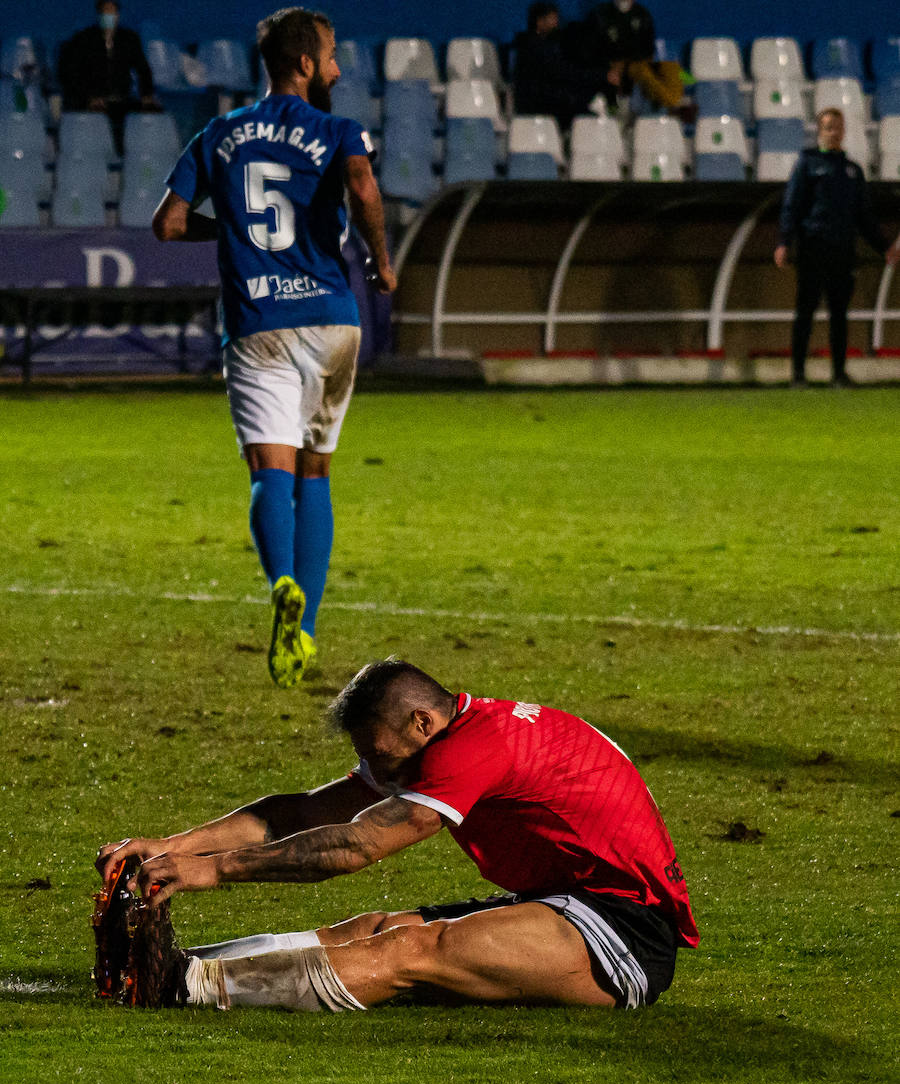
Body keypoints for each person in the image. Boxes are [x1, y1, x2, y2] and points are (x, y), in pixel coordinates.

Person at [95, 659, 699, 1014]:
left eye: (378, 754)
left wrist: (215, 870)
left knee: (415, 950)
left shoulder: (472, 748)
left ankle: (187, 987)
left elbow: (357, 845)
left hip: (626, 931)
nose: (375, 771)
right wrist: (178, 847)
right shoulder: (447, 736)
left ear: (421, 722)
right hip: (564, 900)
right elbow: (307, 810)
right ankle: (180, 966)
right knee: (372, 929)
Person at [152, 8, 396, 688]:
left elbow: (168, 224)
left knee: (270, 469)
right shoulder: (338, 130)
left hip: (256, 319)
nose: (340, 66)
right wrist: (380, 259)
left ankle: (282, 580)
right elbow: (362, 183)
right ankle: (306, 631)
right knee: (316, 470)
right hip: (330, 318)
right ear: (307, 64)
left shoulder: (220, 133)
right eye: (334, 54)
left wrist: (232, 234)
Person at [775, 108, 900, 388]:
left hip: (843, 251)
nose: (834, 132)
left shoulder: (852, 171)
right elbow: (792, 206)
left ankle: (839, 374)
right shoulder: (807, 164)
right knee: (805, 310)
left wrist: (884, 247)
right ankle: (797, 375)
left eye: (838, 127)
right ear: (820, 130)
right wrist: (784, 241)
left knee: (839, 313)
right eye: (829, 127)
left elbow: (864, 216)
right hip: (813, 247)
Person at [58, 0, 160, 152]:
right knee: (93, 117)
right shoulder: (84, 39)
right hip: (91, 100)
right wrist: (89, 97)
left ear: (118, 15)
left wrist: (147, 94)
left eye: (112, 12)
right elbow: (72, 75)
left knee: (150, 113)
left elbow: (143, 70)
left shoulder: (129, 39)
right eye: (105, 12)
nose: (109, 16)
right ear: (99, 15)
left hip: (121, 99)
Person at [512, 3, 612, 130]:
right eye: (552, 19)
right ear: (539, 21)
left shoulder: (549, 44)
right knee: (587, 115)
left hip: (550, 99)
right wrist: (601, 77)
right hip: (538, 104)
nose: (556, 22)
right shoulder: (533, 47)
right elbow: (561, 73)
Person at [583, 0, 687, 115]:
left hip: (640, 63)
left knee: (671, 68)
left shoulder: (642, 14)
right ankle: (671, 100)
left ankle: (672, 98)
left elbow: (649, 48)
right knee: (640, 70)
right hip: (613, 65)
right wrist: (606, 70)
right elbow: (591, 51)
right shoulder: (600, 15)